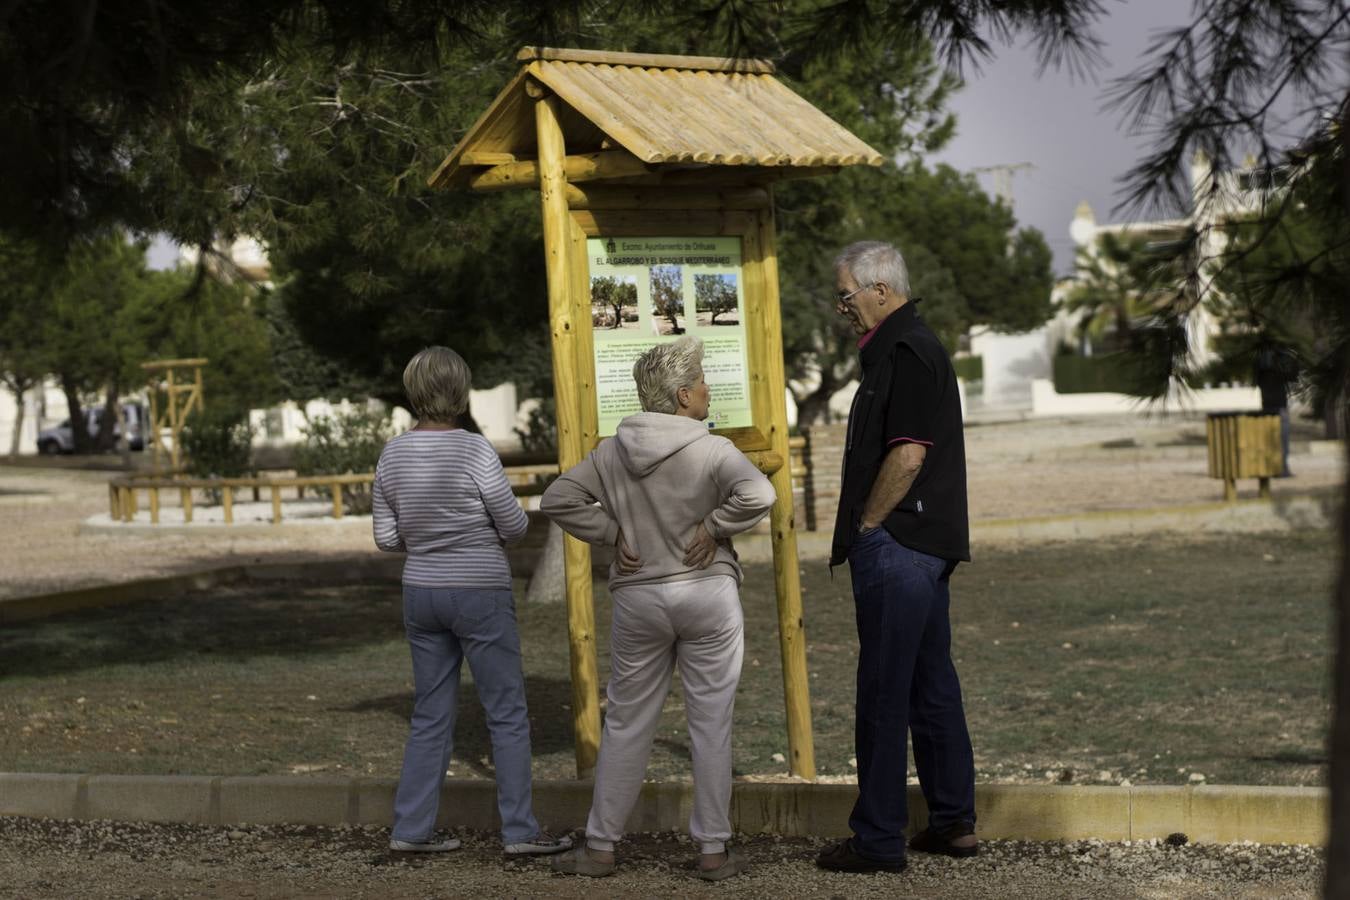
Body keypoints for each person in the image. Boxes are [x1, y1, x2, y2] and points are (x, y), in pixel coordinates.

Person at [541, 336, 776, 881]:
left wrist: (612, 530)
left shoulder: (610, 451)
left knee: (625, 722)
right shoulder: (713, 448)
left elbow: (558, 499)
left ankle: (600, 848)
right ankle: (713, 851)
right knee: (710, 724)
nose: (707, 389)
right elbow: (760, 496)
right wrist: (714, 528)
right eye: (701, 382)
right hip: (707, 593)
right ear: (683, 395)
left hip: (638, 597)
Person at [815, 241, 978, 874]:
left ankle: (878, 839)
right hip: (922, 546)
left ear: (881, 290)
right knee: (930, 683)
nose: (842, 308)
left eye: (847, 295)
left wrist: (869, 524)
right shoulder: (905, 348)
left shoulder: (907, 351)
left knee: (884, 692)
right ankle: (952, 823)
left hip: (901, 546)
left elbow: (908, 454)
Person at [372, 346, 571, 857]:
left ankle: (411, 830)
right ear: (460, 393)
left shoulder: (392, 454)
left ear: (413, 392)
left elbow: (387, 538)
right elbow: (514, 524)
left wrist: (428, 536)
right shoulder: (475, 451)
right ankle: (520, 832)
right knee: (505, 712)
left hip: (422, 592)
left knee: (431, 714)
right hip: (480, 589)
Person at [1255, 344, 1296, 477]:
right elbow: (1292, 376)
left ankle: (1272, 467)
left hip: (1267, 405)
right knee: (1282, 440)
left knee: (1270, 439)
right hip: (1279, 406)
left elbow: (1257, 381)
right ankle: (1282, 468)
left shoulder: (1260, 364)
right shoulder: (1280, 363)